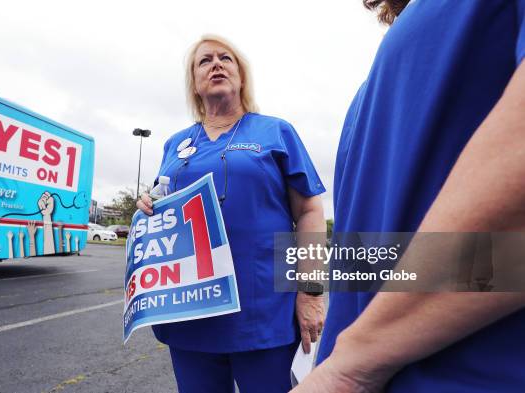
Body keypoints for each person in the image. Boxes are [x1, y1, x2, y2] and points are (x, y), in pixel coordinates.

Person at [292, 0, 525, 392]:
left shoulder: (273, 134)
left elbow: (310, 211)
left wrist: (351, 360)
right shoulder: (376, 81)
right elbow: (367, 240)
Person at [136, 34, 327, 393]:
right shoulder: (175, 144)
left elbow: (310, 211)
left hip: (263, 313)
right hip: (190, 313)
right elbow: (164, 202)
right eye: (205, 61)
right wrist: (149, 206)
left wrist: (312, 292)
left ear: (241, 76)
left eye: (226, 58)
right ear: (194, 81)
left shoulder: (275, 131)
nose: (216, 64)